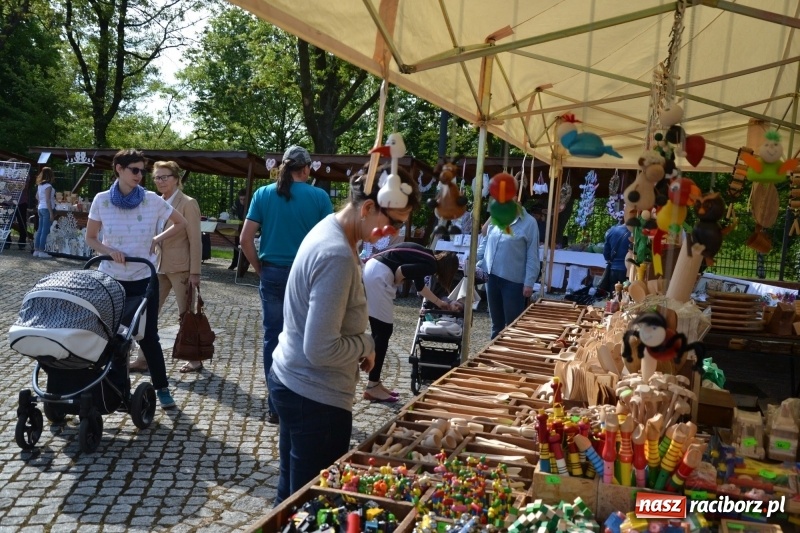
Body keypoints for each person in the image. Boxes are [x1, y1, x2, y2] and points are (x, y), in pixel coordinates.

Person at [268, 163, 418, 504]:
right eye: (393, 223)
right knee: (311, 507)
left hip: (293, 382)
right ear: (367, 208)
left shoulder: (332, 230)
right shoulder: (337, 253)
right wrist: (366, 343)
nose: (394, 233)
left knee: (290, 500)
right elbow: (320, 349)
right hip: (314, 396)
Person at [85, 149, 188, 410]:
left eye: (142, 171)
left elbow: (180, 223)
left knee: (148, 336)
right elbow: (91, 238)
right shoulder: (102, 200)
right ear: (118, 169)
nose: (140, 176)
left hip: (144, 277)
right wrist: (109, 251)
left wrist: (156, 239)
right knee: (111, 336)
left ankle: (162, 388)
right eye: (134, 170)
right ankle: (113, 387)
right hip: (110, 279)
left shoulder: (152, 200)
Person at [240, 146, 333, 425]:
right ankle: (305, 403)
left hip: (273, 274)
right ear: (306, 169)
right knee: (308, 338)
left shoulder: (263, 194)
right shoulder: (319, 197)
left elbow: (245, 239)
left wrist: (259, 269)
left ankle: (275, 407)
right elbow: (330, 241)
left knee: (273, 338)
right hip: (307, 275)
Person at [129, 160, 203, 374]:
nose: (160, 181)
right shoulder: (156, 202)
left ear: (176, 178)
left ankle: (194, 359)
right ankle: (143, 359)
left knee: (186, 314)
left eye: (165, 177)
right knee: (147, 314)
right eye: (157, 177)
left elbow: (195, 240)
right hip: (157, 266)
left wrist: (195, 272)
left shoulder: (188, 203)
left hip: (181, 268)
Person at [362, 241, 458, 402]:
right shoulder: (430, 266)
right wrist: (396, 282)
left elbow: (420, 287)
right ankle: (372, 386)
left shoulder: (425, 256)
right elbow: (401, 270)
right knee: (383, 331)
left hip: (373, 269)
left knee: (380, 331)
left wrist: (439, 303)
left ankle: (375, 383)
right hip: (379, 274)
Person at [476, 201, 540, 339]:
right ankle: (492, 355)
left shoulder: (529, 223)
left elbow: (532, 254)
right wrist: (474, 260)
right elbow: (486, 241)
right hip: (491, 277)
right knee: (496, 324)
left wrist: (529, 282)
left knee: (513, 325)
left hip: (513, 281)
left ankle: (511, 355)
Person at [600, 221, 631, 296]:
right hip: (627, 271)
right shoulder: (633, 232)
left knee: (613, 297)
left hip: (613, 269)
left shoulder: (612, 231)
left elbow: (606, 254)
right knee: (625, 297)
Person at [33, 167, 56, 258]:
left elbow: (37, 196)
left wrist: (40, 203)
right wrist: (51, 213)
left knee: (40, 230)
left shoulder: (40, 185)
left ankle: (36, 250)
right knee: (44, 230)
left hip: (40, 208)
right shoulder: (48, 186)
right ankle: (42, 250)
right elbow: (48, 200)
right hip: (46, 209)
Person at [228, 188, 247, 270]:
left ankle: (244, 264)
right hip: (239, 227)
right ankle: (235, 262)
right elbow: (231, 211)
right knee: (236, 245)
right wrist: (235, 220)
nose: (242, 201)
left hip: (248, 228)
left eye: (244, 199)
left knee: (246, 245)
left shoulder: (252, 203)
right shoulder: (237, 203)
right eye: (241, 199)